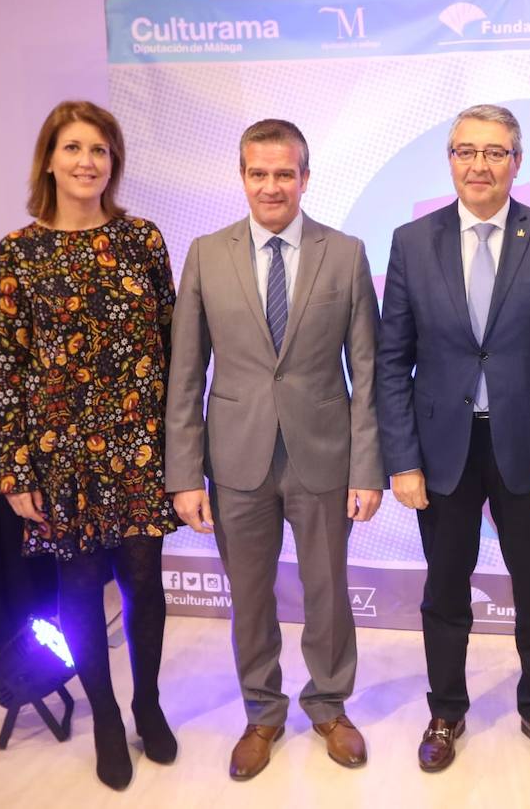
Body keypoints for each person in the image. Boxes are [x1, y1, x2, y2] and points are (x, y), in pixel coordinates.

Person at [376, 104, 530, 773]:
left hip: (527, 445)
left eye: (495, 152)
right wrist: (402, 459)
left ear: (515, 162)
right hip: (442, 448)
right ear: (450, 161)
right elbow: (392, 360)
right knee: (445, 587)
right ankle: (446, 710)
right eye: (467, 151)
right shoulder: (412, 242)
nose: (480, 164)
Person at [164, 119, 383, 781]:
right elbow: (185, 371)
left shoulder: (343, 253)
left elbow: (367, 371)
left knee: (328, 594)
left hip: (323, 453)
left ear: (305, 178)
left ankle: (329, 706)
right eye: (258, 173)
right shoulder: (206, 253)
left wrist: (367, 468)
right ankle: (262, 712)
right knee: (250, 598)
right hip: (235, 461)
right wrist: (184, 475)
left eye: (284, 173)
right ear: (242, 177)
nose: (271, 185)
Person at [0, 100, 178, 790]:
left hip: (139, 446)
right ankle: (104, 715)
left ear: (113, 163)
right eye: (73, 148)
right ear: (49, 159)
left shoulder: (142, 241)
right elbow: (12, 366)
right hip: (60, 453)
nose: (86, 161)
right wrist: (15, 470)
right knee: (76, 593)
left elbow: (175, 348)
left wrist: (183, 445)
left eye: (99, 150)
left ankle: (148, 704)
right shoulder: (19, 252)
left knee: (142, 584)